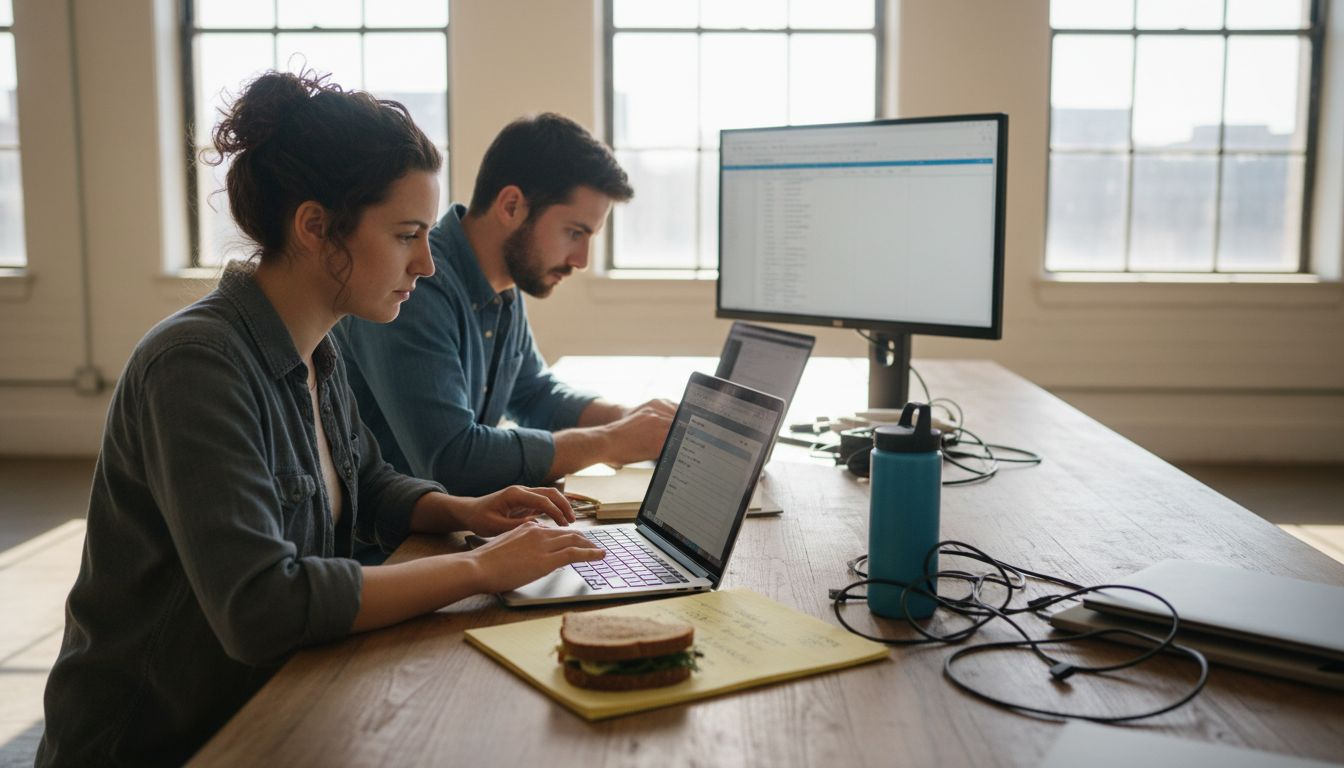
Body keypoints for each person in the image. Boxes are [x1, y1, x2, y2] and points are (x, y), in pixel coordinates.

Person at [36, 72, 604, 768]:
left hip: (275, 701)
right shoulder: (194, 367)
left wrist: (468, 509)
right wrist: (480, 568)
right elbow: (262, 607)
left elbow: (363, 476)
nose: (427, 264)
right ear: (314, 227)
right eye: (405, 235)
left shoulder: (318, 343)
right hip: (166, 743)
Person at [333, 113, 674, 497]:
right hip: (392, 550)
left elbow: (532, 394)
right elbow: (453, 461)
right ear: (511, 206)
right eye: (574, 233)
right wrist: (609, 441)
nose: (581, 259)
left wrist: (632, 420)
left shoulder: (503, 286)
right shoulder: (415, 288)